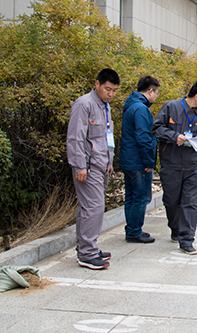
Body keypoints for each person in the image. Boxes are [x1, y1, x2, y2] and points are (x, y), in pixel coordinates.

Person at [152, 80, 197, 255]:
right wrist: (174, 137)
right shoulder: (171, 107)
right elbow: (156, 128)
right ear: (196, 96)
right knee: (172, 201)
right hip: (171, 164)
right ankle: (175, 228)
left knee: (191, 203)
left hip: (193, 165)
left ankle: (186, 239)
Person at [67, 68, 120, 270]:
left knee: (89, 209)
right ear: (97, 84)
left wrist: (109, 162)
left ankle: (87, 247)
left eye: (114, 90)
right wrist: (79, 165)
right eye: (108, 89)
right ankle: (87, 254)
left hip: (101, 165)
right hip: (87, 167)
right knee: (94, 208)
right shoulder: (84, 104)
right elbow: (75, 137)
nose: (111, 94)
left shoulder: (105, 106)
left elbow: (106, 137)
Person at [120, 76, 160, 244]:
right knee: (141, 197)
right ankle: (135, 231)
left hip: (129, 160)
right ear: (150, 91)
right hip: (138, 161)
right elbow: (144, 137)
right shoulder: (141, 109)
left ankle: (131, 229)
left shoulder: (130, 106)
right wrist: (149, 162)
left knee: (131, 196)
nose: (156, 96)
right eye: (156, 93)